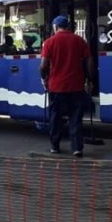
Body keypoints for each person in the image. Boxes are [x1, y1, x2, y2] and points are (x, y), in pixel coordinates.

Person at [40, 16, 94, 157]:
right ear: (68, 27)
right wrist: (90, 79)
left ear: (55, 27)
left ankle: (55, 146)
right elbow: (89, 61)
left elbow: (43, 65)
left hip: (56, 87)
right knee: (75, 118)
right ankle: (77, 148)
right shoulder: (80, 41)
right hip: (76, 86)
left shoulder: (49, 42)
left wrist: (44, 78)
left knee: (56, 118)